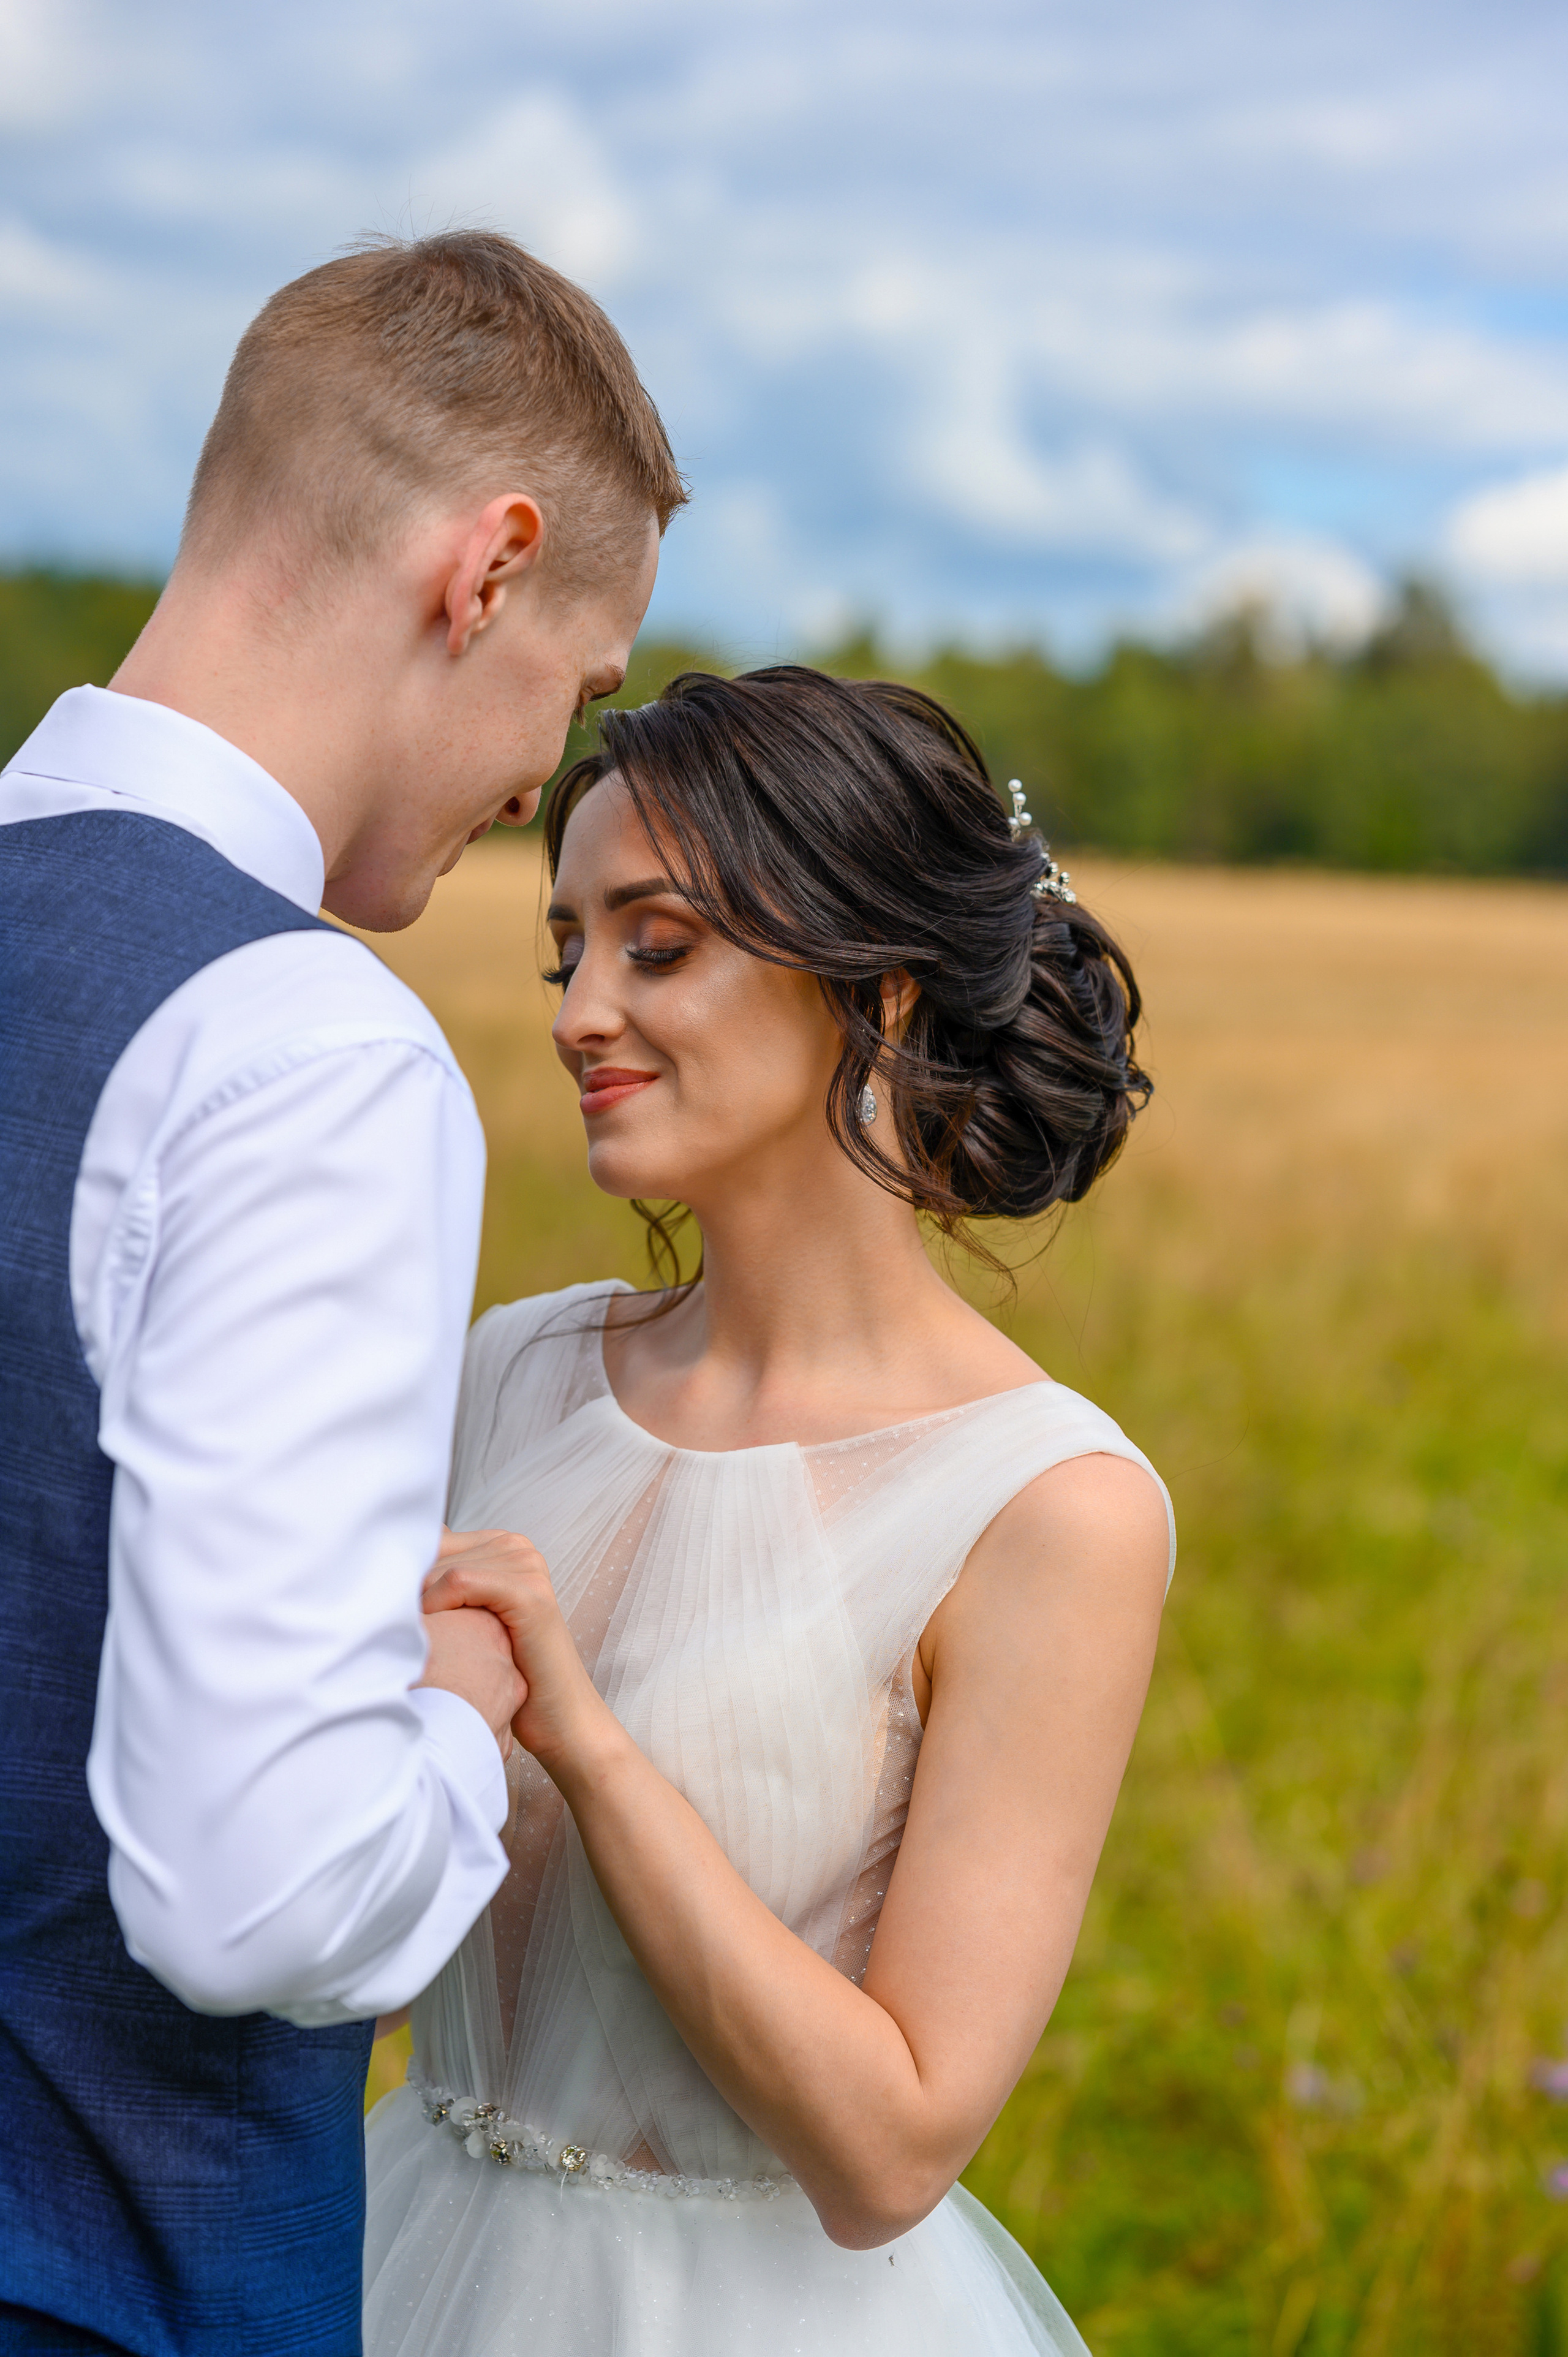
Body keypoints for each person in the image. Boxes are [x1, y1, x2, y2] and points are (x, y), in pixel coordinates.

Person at [0, 231, 684, 2356]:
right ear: (484, 569)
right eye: (576, 693)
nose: (538, 786)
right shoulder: (303, 1044)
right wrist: (464, 1722)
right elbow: (261, 1890)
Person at [363, 667, 1174, 2356]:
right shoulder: (504, 1374)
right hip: (397, 2255)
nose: (583, 1007)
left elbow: (892, 2150)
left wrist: (589, 1745)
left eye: (655, 946)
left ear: (871, 986)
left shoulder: (1049, 1506)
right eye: (566, 949)